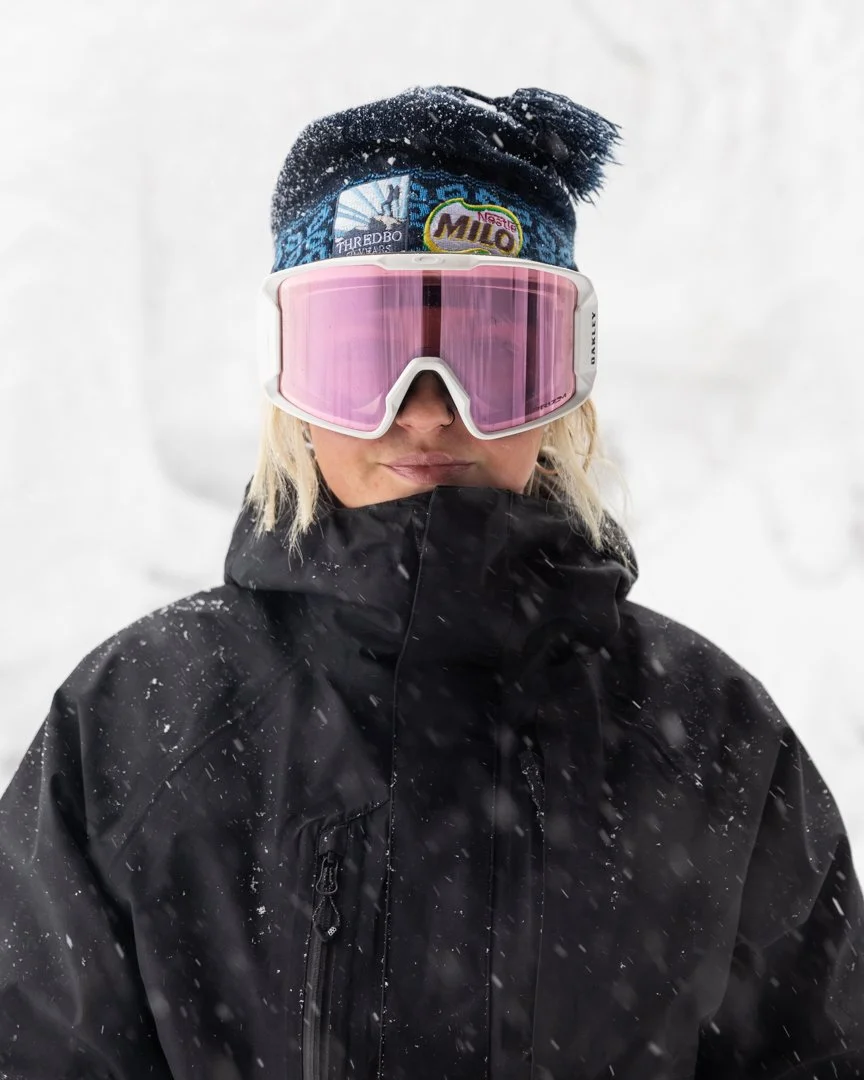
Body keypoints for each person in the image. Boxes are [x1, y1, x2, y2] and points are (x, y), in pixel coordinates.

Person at [0, 85, 862, 1080]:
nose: (422, 413)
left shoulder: (712, 741)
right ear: (291, 384)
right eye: (362, 354)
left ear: (565, 391)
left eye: (490, 353)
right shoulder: (133, 730)